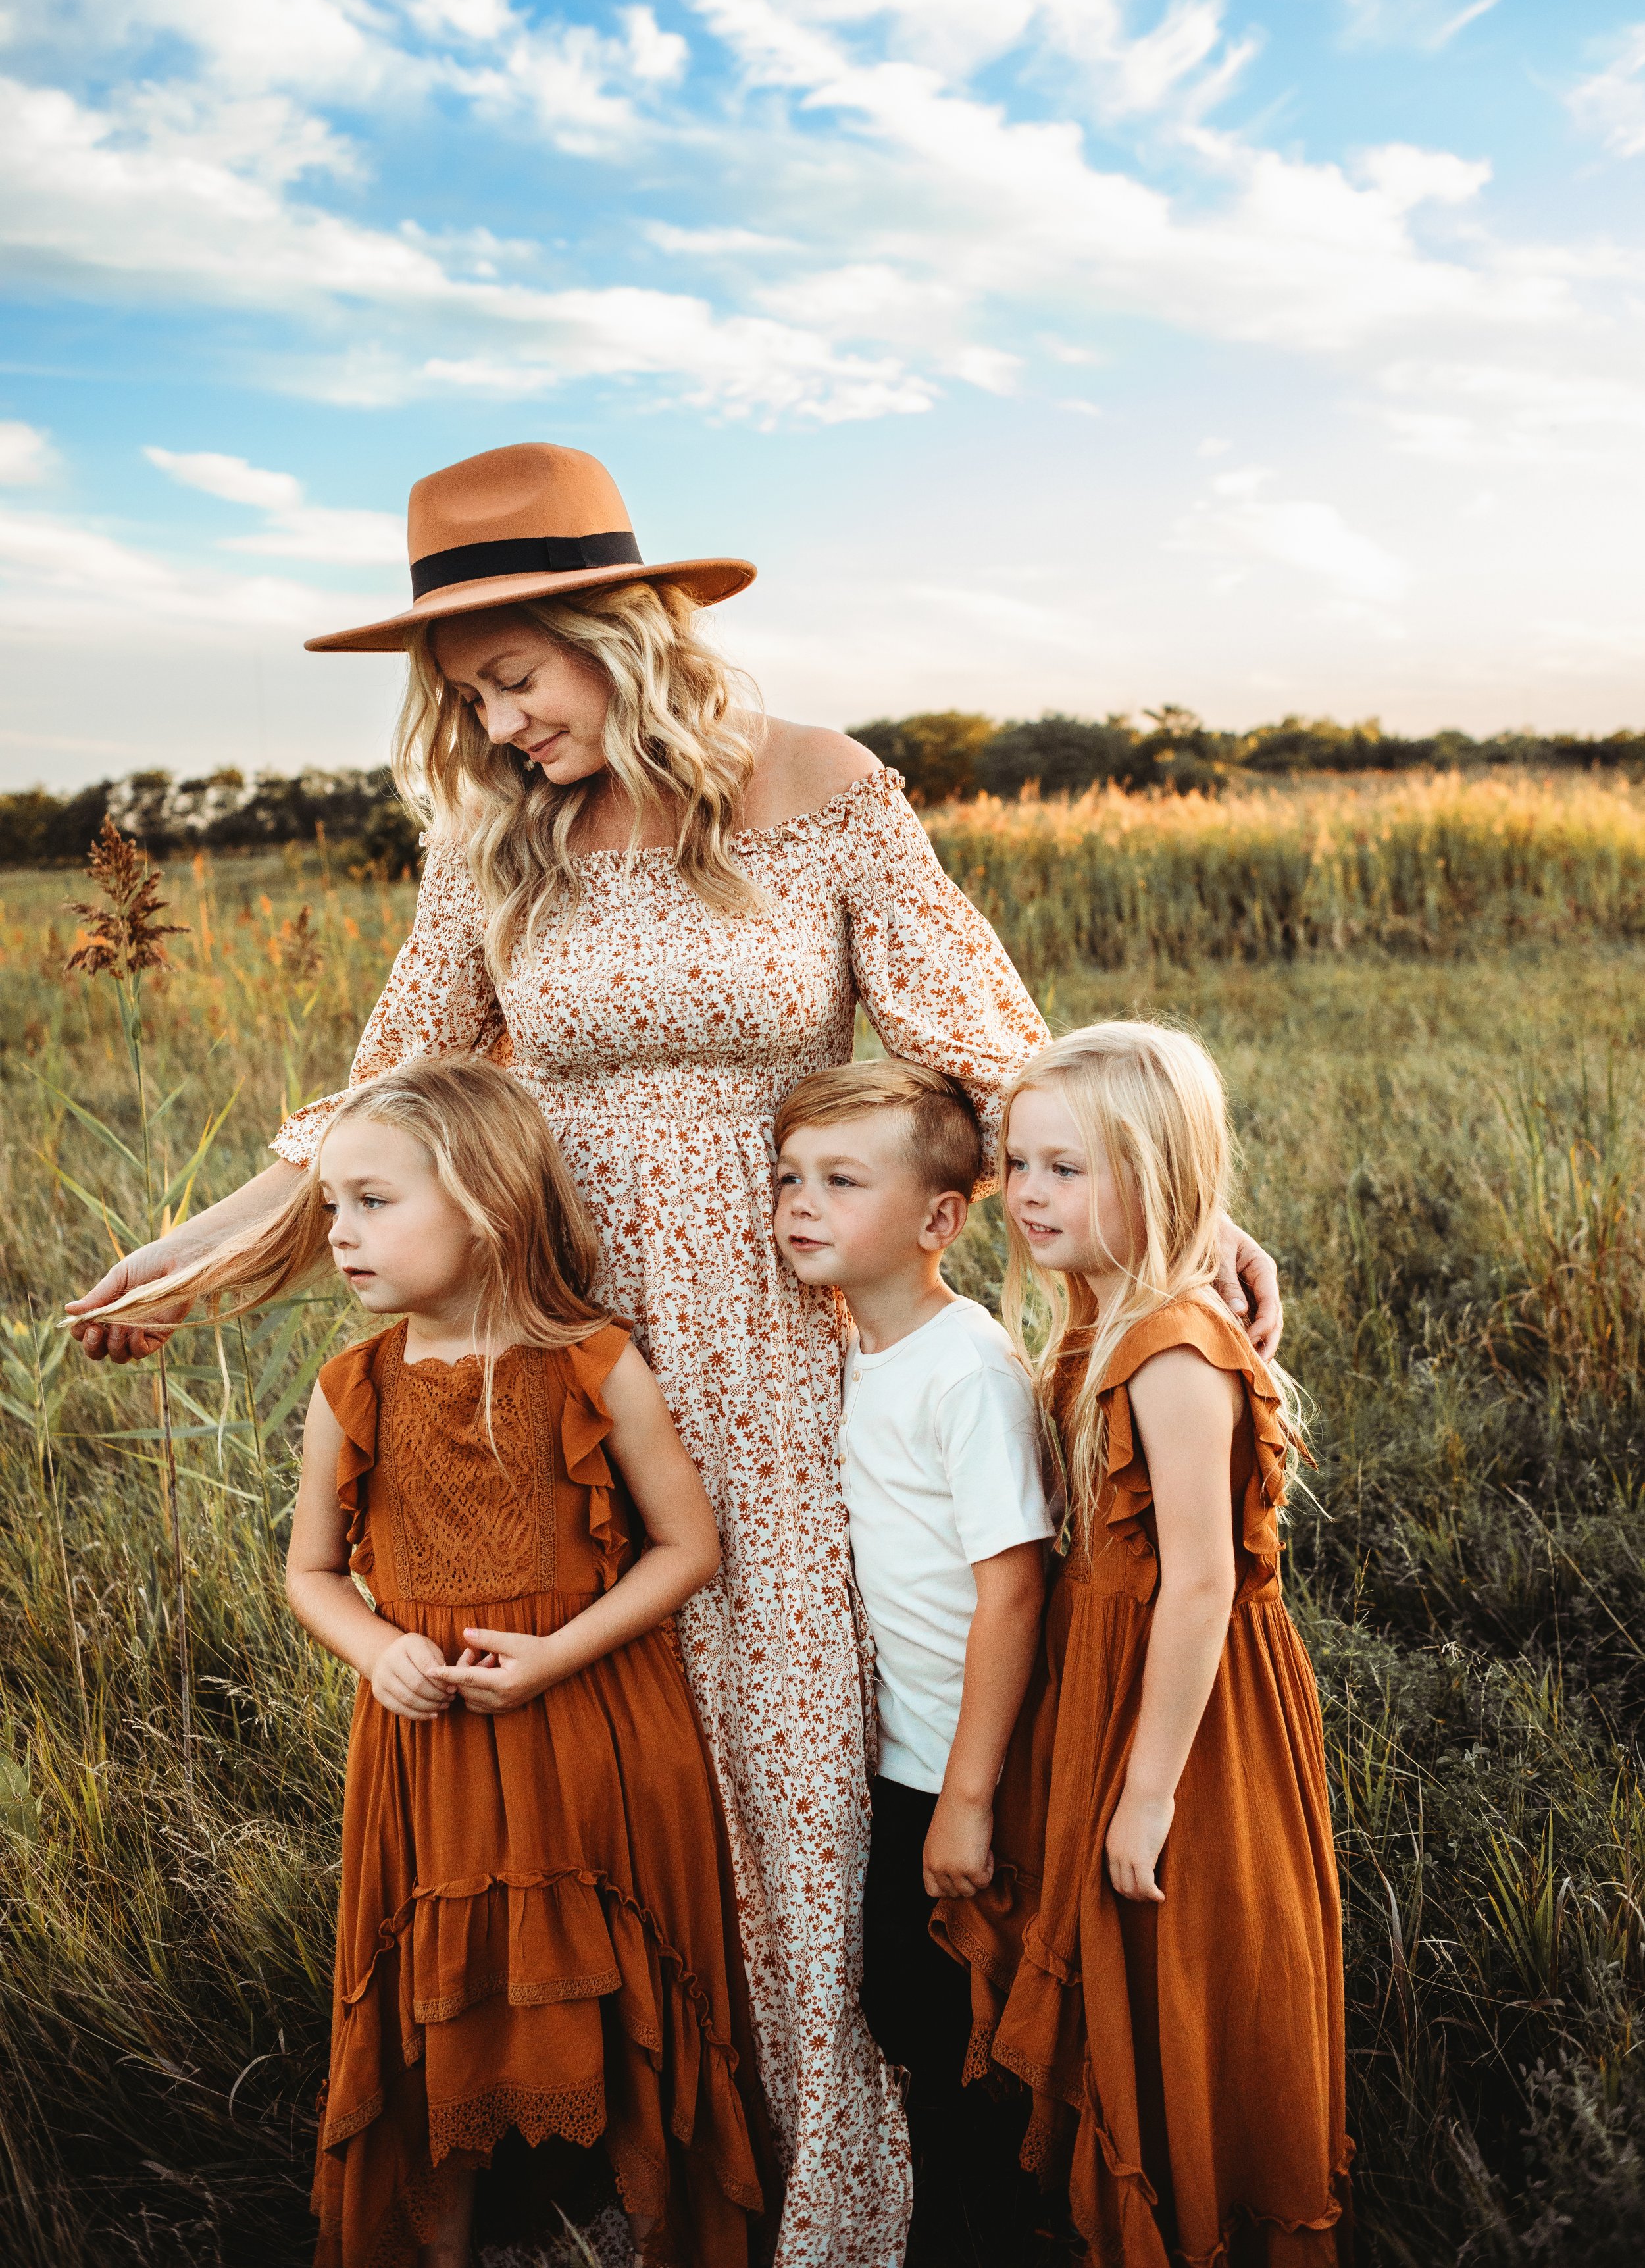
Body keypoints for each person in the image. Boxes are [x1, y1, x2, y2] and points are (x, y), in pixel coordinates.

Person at [66, 440, 1284, 2268]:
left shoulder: (819, 788)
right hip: (581, 1365)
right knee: (637, 1771)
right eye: (465, 694)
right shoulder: (490, 836)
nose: (496, 722)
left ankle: (842, 2194)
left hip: (799, 1357)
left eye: (517, 677)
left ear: (619, 630)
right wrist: (190, 1247)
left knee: (801, 1766)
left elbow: (988, 1036)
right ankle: (671, 2173)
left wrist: (1180, 1215)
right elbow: (381, 1089)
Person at [93, 1056, 774, 2268]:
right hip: (432, 1751)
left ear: (488, 1205)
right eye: (333, 1207)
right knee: (438, 2016)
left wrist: (558, 1652)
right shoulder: (350, 1387)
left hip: (594, 1735)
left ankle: (652, 2231)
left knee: (618, 1997)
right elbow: (309, 1572)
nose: (340, 1236)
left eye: (372, 1202)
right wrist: (377, 1647)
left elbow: (690, 1546)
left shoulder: (595, 1365)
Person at [935, 1022, 1351, 2268]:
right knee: (1124, 1966)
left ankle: (1202, 2212)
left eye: (1068, 1168)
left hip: (1191, 1725)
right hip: (1108, 1695)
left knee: (1189, 1959)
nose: (1027, 1195)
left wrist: (1149, 1792)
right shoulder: (1090, 1323)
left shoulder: (1174, 1349)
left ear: (1161, 1177)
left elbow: (1203, 1584)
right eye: (1019, 1165)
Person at [771, 1059, 1053, 2267]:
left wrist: (970, 1797)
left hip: (962, 1763)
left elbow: (1014, 1583)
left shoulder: (966, 1368)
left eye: (841, 1179)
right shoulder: (852, 1351)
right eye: (788, 1176)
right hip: (901, 1752)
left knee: (956, 2030)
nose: (800, 1203)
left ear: (941, 1219)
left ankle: (998, 2233)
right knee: (901, 2005)